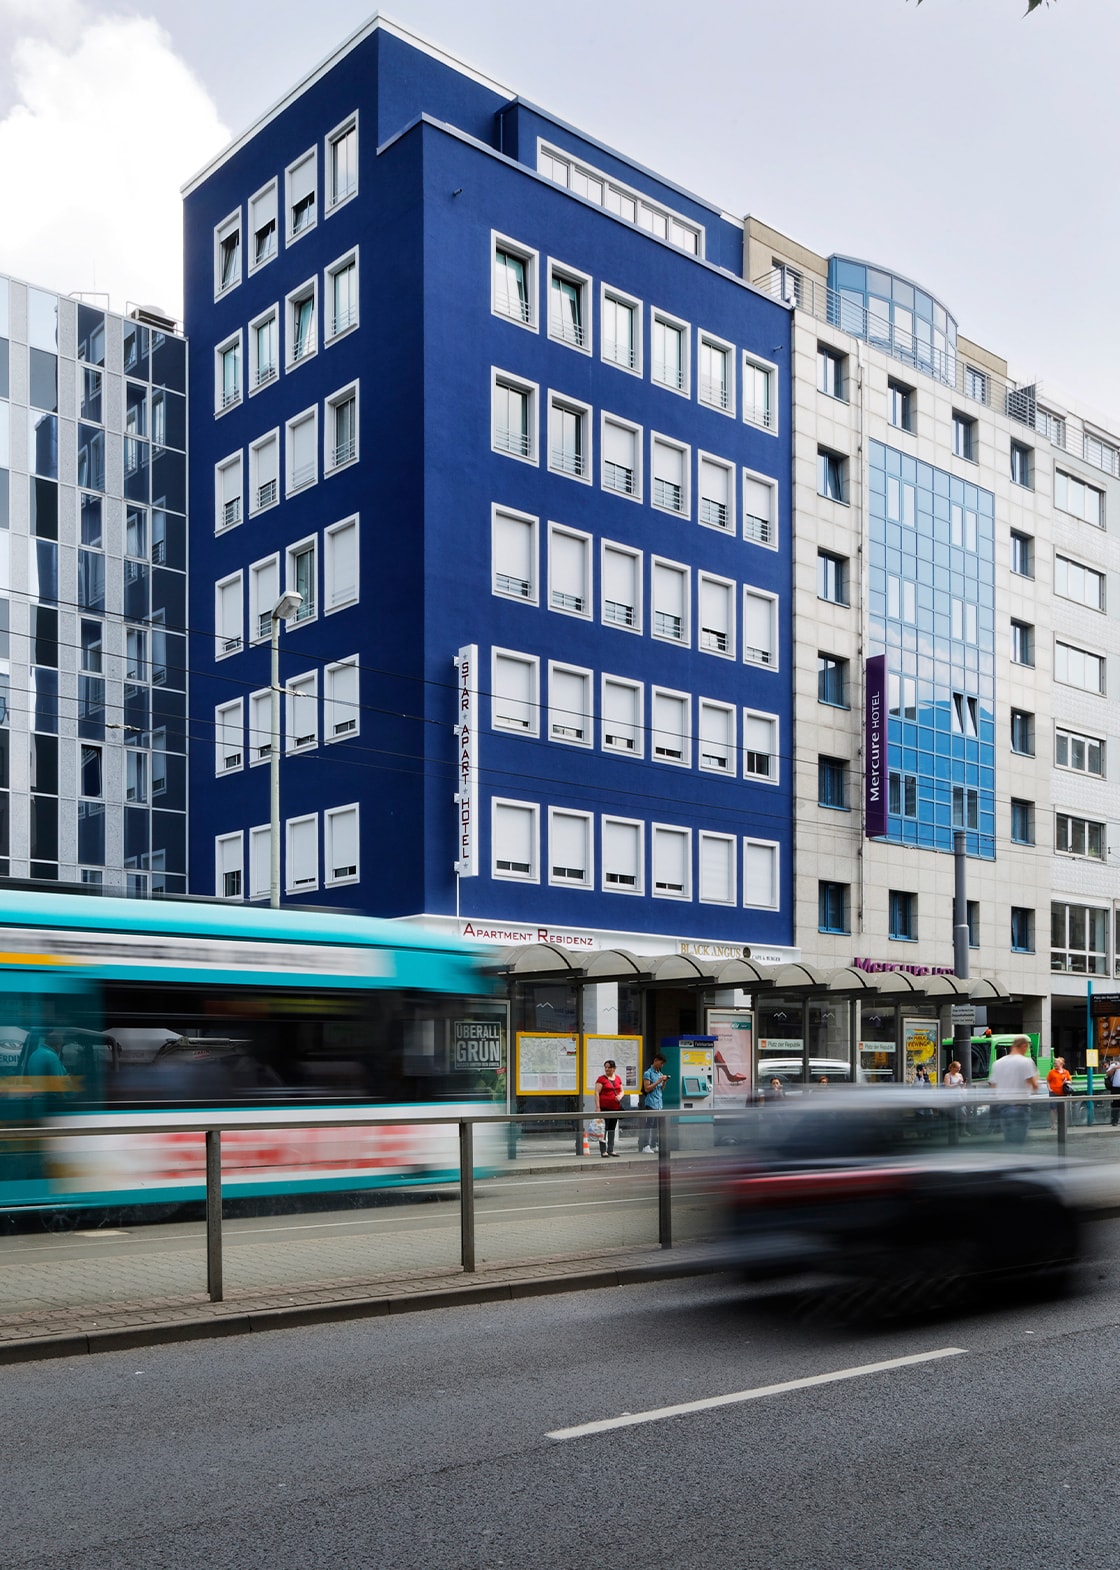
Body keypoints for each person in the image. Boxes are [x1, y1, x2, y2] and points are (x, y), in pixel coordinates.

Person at [988, 1034, 1040, 1145]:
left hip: (1003, 1106)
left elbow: (993, 1085)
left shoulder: (997, 1063)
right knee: (1019, 1142)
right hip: (1020, 1106)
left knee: (1008, 1140)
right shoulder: (1026, 1062)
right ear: (1024, 1046)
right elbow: (1035, 1086)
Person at [640, 1052, 668, 1154]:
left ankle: (654, 1144)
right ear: (655, 1061)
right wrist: (658, 1081)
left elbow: (661, 1089)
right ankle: (645, 1145)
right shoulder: (648, 1073)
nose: (662, 1065)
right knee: (649, 1124)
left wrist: (664, 1082)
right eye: (661, 1063)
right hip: (651, 1102)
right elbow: (647, 1088)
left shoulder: (659, 1073)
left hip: (659, 1103)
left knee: (657, 1125)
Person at [595, 1058, 623, 1157]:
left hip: (615, 1108)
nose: (607, 1069)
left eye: (609, 1068)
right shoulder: (601, 1079)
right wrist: (598, 1107)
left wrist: (620, 1096)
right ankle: (603, 1150)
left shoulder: (618, 1078)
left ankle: (611, 1149)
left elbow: (621, 1090)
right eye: (606, 1067)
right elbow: (597, 1093)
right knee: (603, 1129)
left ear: (614, 1068)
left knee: (612, 1128)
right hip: (604, 1107)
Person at [1108, 1058, 1120, 1127]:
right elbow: (1108, 1074)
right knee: (1116, 1104)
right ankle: (1114, 1121)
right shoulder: (1114, 1065)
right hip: (1116, 1088)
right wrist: (1115, 1068)